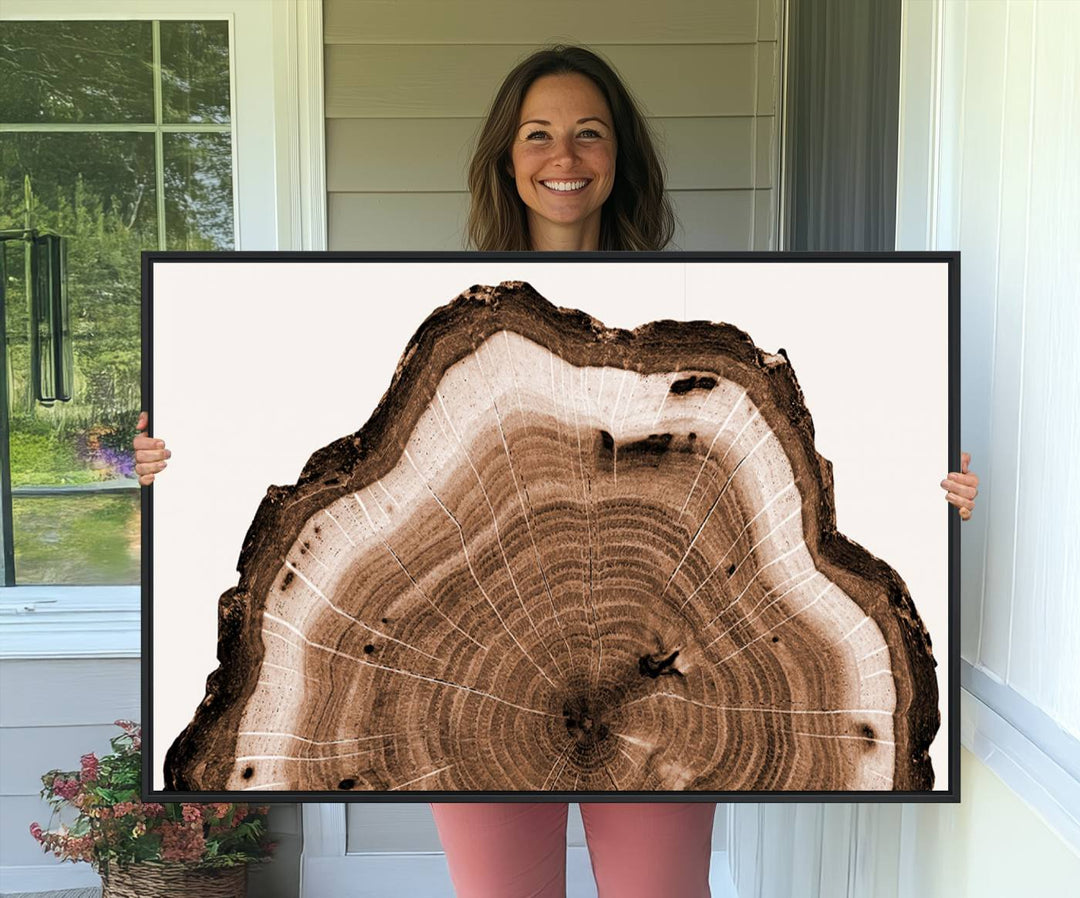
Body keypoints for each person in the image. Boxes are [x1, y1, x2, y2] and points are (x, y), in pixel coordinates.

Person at [134, 45, 979, 898]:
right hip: (463, 663)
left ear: (620, 158)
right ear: (507, 157)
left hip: (670, 656)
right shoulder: (437, 310)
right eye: (538, 135)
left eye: (589, 134)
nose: (564, 158)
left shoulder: (700, 302)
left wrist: (931, 492)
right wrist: (178, 462)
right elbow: (284, 427)